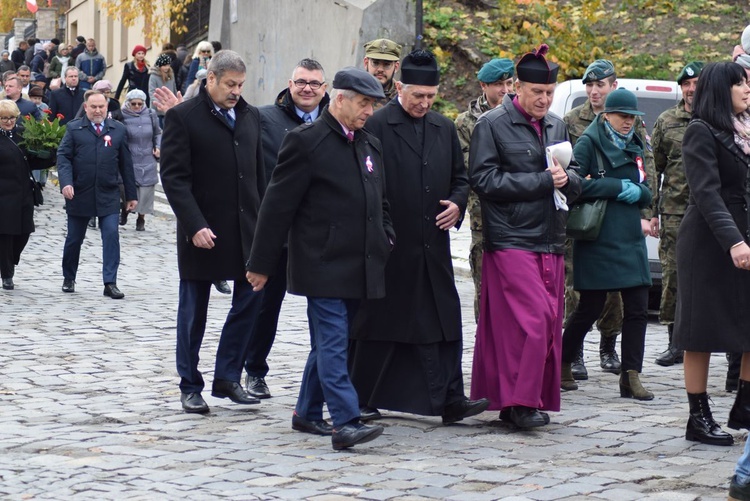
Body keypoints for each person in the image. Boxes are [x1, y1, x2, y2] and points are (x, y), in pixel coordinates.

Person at [246, 67, 389, 450]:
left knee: (330, 342)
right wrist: (260, 264)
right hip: (320, 263)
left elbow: (381, 203)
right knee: (333, 342)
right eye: (363, 103)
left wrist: (385, 236)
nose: (369, 112)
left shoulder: (368, 143)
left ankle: (307, 411)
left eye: (373, 105)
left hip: (360, 263)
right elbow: (276, 207)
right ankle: (346, 421)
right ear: (339, 99)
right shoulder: (304, 141)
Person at [349, 49, 489, 425]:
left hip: (434, 246)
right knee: (379, 325)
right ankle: (361, 396)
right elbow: (365, 182)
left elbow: (462, 179)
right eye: (418, 97)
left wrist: (458, 204)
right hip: (391, 247)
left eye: (431, 97)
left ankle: (451, 398)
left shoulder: (443, 127)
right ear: (399, 88)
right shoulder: (375, 125)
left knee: (444, 323)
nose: (425, 103)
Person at [468, 44, 582, 428]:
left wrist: (571, 179)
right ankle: (518, 403)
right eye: (537, 93)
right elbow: (483, 180)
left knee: (549, 323)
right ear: (517, 87)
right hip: (509, 238)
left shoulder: (557, 124)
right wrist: (540, 180)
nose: (545, 100)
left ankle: (524, 401)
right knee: (533, 320)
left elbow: (577, 174)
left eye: (550, 94)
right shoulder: (491, 125)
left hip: (551, 238)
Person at [160, 50, 265, 415]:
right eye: (230, 84)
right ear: (211, 80)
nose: (236, 91)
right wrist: (194, 224)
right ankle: (190, 385)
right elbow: (174, 178)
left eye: (240, 84)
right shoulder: (182, 117)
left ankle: (228, 377)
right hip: (201, 232)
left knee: (250, 301)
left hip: (246, 229)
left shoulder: (250, 117)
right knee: (193, 315)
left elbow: (259, 174)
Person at [562, 59, 655, 381]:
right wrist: (616, 187)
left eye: (632, 117)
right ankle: (561, 362)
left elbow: (646, 188)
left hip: (629, 237)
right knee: (589, 307)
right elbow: (573, 185)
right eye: (623, 117)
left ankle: (632, 376)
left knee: (639, 308)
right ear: (607, 115)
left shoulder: (637, 144)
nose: (628, 122)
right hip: (598, 237)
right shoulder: (588, 141)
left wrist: (640, 195)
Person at [243, 58, 330, 399]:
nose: (307, 89)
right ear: (289, 84)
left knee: (324, 310)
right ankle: (254, 370)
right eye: (301, 82)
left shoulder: (333, 121)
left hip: (319, 234)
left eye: (314, 83)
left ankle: (323, 374)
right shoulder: (264, 119)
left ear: (325, 89)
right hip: (277, 233)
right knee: (265, 306)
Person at [674, 61, 750, 447]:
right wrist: (733, 240)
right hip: (708, 242)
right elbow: (706, 194)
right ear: (722, 91)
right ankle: (698, 416)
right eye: (740, 84)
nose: (747, 89)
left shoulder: (745, 132)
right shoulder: (700, 132)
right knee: (699, 332)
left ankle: (746, 405)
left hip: (745, 238)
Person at [57, 90, 137, 298]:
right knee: (75, 239)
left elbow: (126, 164)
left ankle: (110, 282)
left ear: (107, 106)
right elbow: (63, 157)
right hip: (79, 193)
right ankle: (69, 277)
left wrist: (131, 194)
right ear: (86, 108)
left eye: (101, 106)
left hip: (108, 193)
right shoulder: (74, 129)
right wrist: (66, 183)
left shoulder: (118, 129)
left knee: (111, 235)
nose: (98, 110)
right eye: (93, 107)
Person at [454, 57, 515, 322]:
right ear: (483, 86)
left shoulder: (520, 115)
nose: (505, 89)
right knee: (485, 283)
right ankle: (485, 342)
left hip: (519, 212)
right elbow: (470, 167)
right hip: (484, 215)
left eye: (509, 83)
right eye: (498, 84)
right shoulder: (466, 123)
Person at [650, 62, 702, 368]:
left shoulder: (718, 118)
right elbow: (653, 167)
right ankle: (675, 343)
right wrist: (653, 211)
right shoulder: (667, 121)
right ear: (680, 88)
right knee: (673, 277)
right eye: (687, 84)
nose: (692, 89)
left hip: (711, 212)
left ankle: (705, 339)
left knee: (705, 278)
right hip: (674, 213)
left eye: (696, 83)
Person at [0, 99, 54, 290]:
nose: (8, 121)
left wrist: (50, 155)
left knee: (24, 231)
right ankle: (6, 273)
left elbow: (32, 161)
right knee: (5, 234)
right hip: (3, 194)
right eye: (4, 118)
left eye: (11, 118)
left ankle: (10, 261)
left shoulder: (23, 134)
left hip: (23, 191)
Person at [121, 89, 160, 232]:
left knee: (146, 190)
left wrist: (158, 146)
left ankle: (141, 218)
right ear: (128, 103)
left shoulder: (150, 114)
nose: (137, 106)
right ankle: (125, 210)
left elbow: (158, 132)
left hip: (148, 157)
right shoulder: (123, 115)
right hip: (131, 156)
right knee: (128, 187)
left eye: (140, 104)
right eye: (134, 104)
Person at [362, 38, 402, 110]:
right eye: (375, 63)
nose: (380, 69)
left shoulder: (402, 96)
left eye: (386, 64)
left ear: (396, 67)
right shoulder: (353, 90)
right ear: (366, 63)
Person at [148, 54, 176, 128]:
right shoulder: (153, 76)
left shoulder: (171, 74)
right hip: (157, 109)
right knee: (159, 129)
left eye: (168, 65)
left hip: (169, 107)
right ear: (159, 66)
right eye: (164, 65)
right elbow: (151, 91)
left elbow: (174, 88)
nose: (167, 67)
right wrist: (158, 104)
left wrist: (175, 101)